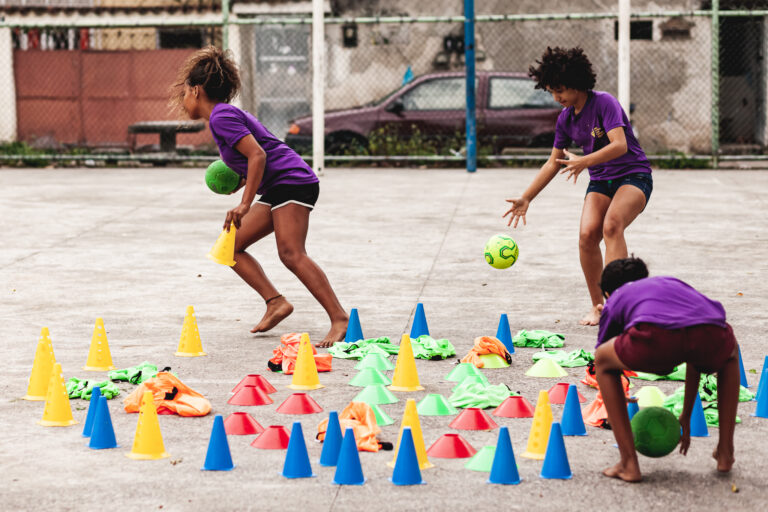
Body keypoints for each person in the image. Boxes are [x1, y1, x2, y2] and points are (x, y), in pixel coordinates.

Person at [173, 46, 348, 347]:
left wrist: (244, 203)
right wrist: (241, 182)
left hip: (293, 181)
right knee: (231, 246)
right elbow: (254, 158)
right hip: (279, 185)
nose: (183, 99)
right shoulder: (223, 117)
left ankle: (339, 318)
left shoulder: (221, 117)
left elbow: (258, 155)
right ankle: (276, 302)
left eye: (184, 92)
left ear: (196, 90)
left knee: (291, 253)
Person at [504, 47, 653, 325]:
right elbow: (554, 162)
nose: (556, 97)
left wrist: (584, 161)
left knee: (612, 226)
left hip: (634, 176)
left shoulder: (604, 103)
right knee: (586, 237)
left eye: (560, 90)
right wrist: (527, 198)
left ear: (577, 82)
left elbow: (619, 145)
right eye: (550, 91)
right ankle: (599, 307)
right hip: (600, 181)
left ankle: (619, 306)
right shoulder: (565, 118)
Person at [593, 257, 739, 482]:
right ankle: (725, 451)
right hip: (709, 330)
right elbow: (693, 356)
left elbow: (604, 355)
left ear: (608, 292)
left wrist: (620, 393)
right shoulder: (670, 284)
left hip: (656, 340)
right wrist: (686, 416)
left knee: (602, 359)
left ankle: (628, 464)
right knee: (731, 353)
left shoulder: (616, 298)